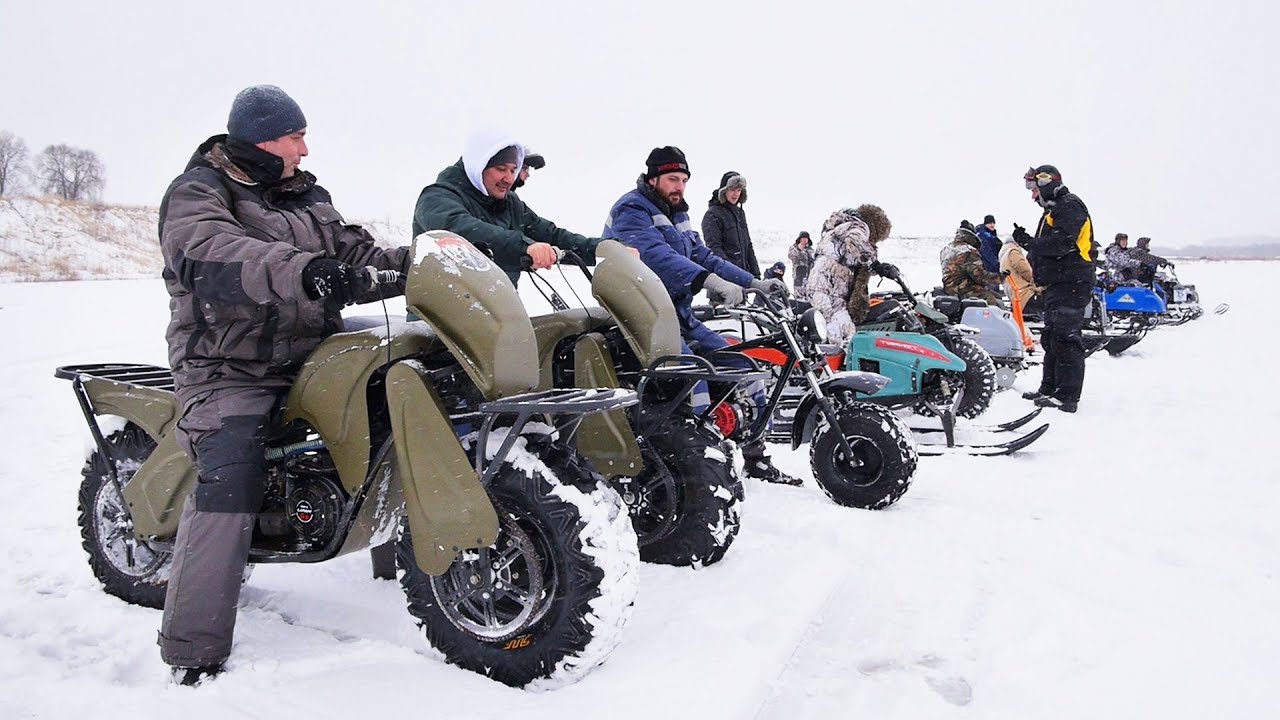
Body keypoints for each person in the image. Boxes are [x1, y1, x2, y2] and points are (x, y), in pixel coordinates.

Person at [157, 85, 412, 686]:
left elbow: (358, 251)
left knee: (395, 395)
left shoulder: (307, 195)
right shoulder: (199, 192)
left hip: (308, 354)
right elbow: (211, 255)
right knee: (233, 465)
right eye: (296, 135)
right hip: (227, 365)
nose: (305, 145)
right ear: (262, 137)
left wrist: (423, 259)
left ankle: (388, 561)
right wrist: (312, 273)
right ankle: (192, 647)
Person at [604, 146, 797, 485]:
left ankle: (755, 456)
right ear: (653, 178)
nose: (679, 186)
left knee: (743, 366)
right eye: (672, 179)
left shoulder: (678, 213)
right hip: (643, 319)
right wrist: (709, 282)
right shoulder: (631, 210)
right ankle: (698, 473)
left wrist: (755, 282)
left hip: (678, 315)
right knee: (696, 379)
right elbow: (656, 256)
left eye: (683, 179)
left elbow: (703, 254)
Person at [413, 129, 601, 283]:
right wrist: (525, 247)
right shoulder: (436, 198)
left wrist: (605, 250)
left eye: (513, 170)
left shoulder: (512, 206)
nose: (509, 178)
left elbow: (554, 235)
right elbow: (460, 231)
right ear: (478, 165)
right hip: (441, 318)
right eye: (501, 169)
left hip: (499, 313)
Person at [1015, 164, 1098, 413]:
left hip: (1072, 283)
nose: (1032, 196)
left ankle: (1067, 396)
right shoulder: (1053, 209)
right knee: (1051, 338)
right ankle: (1049, 388)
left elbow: (1062, 244)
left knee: (1066, 338)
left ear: (1045, 183)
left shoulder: (1069, 205)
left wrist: (1030, 243)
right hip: (1057, 284)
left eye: (1033, 188)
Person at [806, 205, 896, 347]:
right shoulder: (857, 227)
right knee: (837, 332)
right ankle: (828, 367)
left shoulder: (841, 227)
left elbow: (855, 260)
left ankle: (838, 365)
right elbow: (856, 242)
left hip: (831, 288)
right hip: (826, 286)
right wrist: (876, 264)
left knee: (845, 332)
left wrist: (876, 268)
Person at [702, 171, 761, 278]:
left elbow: (748, 245)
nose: (736, 194)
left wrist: (756, 275)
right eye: (732, 190)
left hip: (742, 279)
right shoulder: (712, 214)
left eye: (739, 190)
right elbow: (714, 249)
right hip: (723, 281)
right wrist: (731, 274)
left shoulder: (740, 213)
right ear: (724, 191)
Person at [941, 221, 1003, 305]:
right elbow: (980, 277)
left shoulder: (946, 249)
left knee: (994, 294)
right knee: (992, 298)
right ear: (971, 236)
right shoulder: (969, 251)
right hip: (964, 289)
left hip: (949, 289)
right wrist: (1001, 277)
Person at [999, 226, 1040, 351]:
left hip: (1017, 296)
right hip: (1025, 294)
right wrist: (1037, 281)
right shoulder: (1013, 252)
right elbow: (1025, 269)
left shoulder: (1003, 255)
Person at [787, 231, 814, 299]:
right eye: (803, 238)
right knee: (799, 295)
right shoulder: (794, 247)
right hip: (799, 275)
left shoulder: (810, 249)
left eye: (806, 238)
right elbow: (791, 256)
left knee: (809, 295)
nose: (804, 240)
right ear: (800, 239)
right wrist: (799, 249)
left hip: (809, 276)